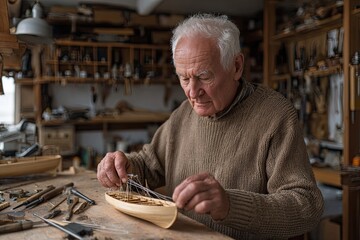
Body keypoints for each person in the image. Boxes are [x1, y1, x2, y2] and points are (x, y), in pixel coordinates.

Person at [97, 13, 324, 239]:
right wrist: (123, 166)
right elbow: (149, 165)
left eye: (204, 77)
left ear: (236, 66)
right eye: (184, 79)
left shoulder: (276, 116)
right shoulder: (183, 114)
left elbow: (306, 207)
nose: (192, 93)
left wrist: (229, 205)